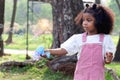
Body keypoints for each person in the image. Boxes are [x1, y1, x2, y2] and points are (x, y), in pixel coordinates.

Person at [44, 3, 116, 80]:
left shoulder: (105, 39)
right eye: (83, 20)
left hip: (97, 77)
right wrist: (48, 51)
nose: (84, 23)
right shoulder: (78, 38)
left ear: (99, 22)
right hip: (80, 76)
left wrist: (108, 59)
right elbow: (64, 50)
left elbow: (107, 61)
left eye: (89, 20)